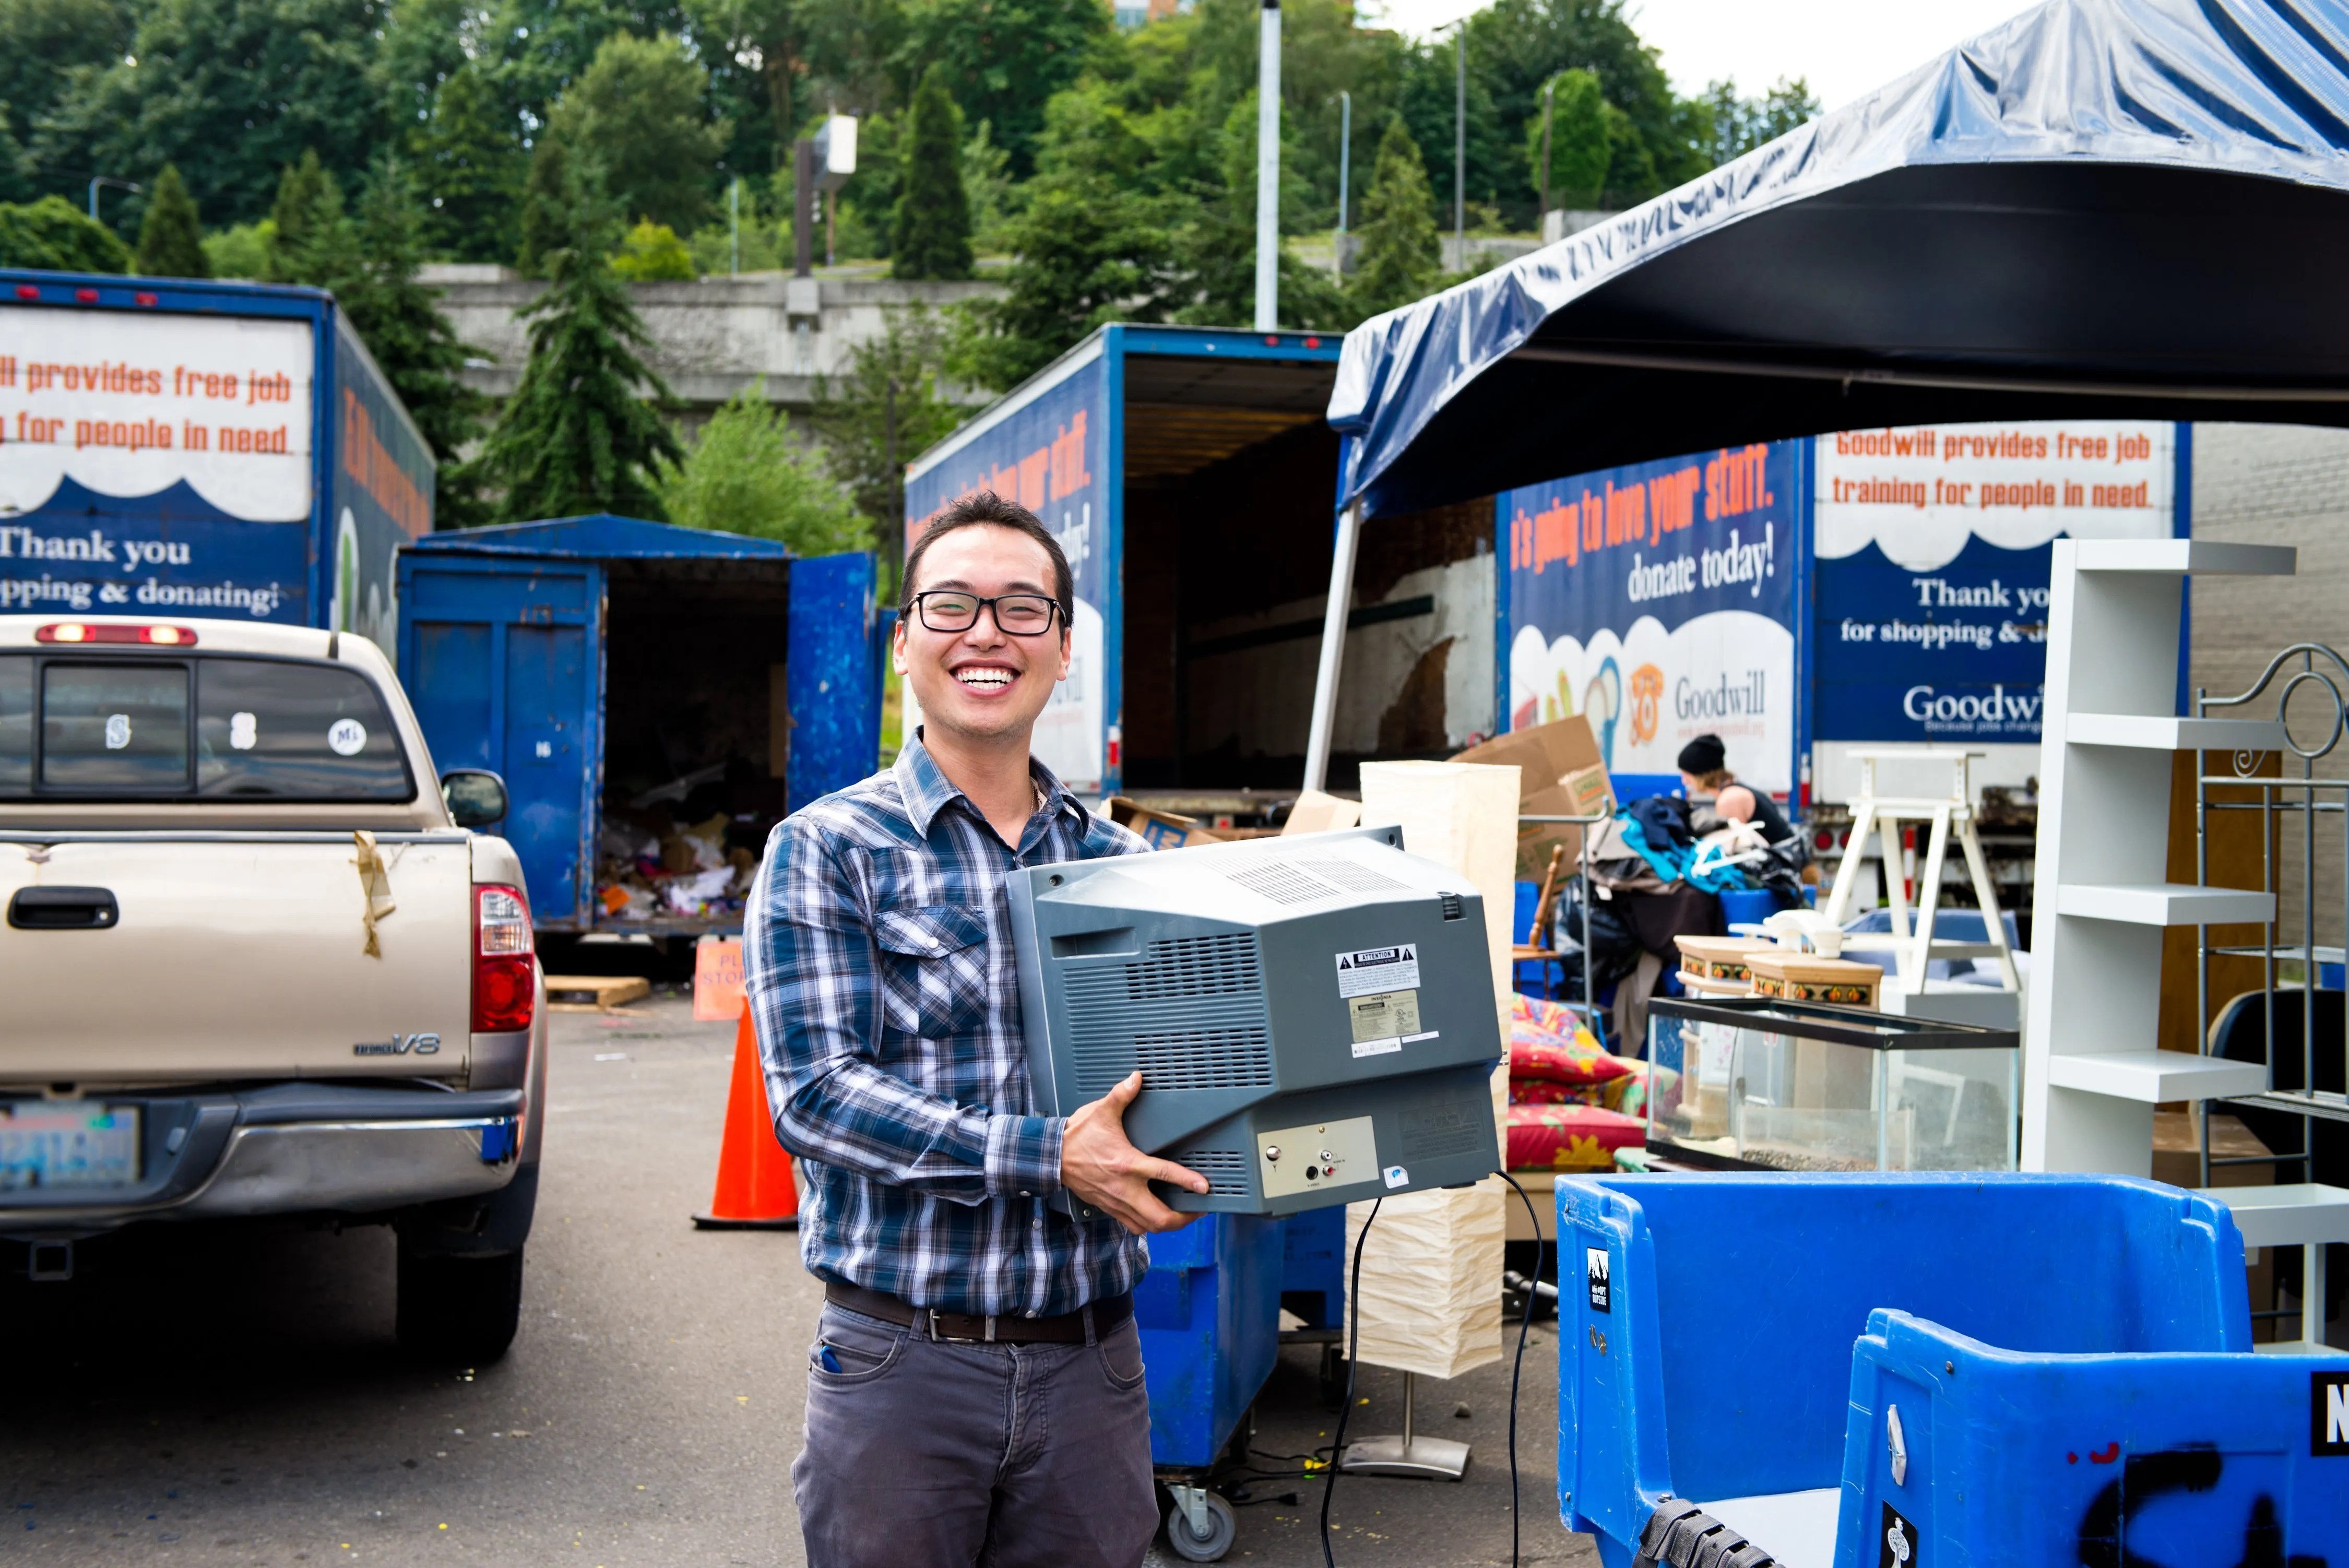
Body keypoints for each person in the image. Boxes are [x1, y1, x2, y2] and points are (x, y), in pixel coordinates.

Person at [743, 491, 1208, 1568]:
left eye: (1021, 608)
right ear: (904, 640)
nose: (987, 632)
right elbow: (816, 1095)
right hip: (904, 1363)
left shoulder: (1125, 866)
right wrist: (1047, 1153)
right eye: (952, 606)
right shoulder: (828, 848)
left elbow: (1186, 1080)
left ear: (1062, 646)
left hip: (1096, 1366)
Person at [1676, 732, 1795, 846]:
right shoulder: (1736, 790)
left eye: (1686, 775)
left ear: (1700, 774)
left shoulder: (1730, 800)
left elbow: (1736, 849)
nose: (1684, 781)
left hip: (1785, 863)